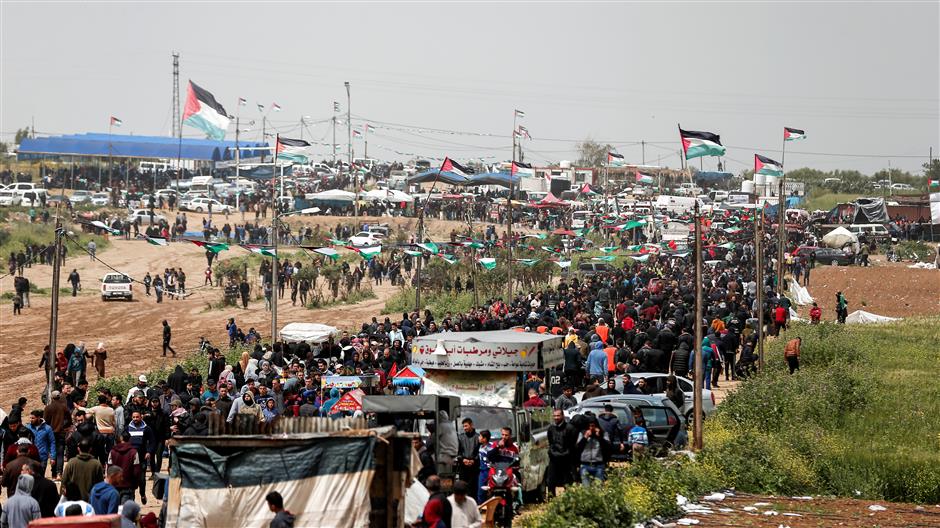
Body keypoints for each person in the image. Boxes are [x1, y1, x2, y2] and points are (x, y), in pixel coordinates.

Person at [546, 409, 577, 496]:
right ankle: (551, 500)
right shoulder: (551, 429)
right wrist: (552, 453)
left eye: (558, 415)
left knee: (567, 482)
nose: (556, 418)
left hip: (566, 459)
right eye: (554, 416)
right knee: (550, 481)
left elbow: (572, 445)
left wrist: (564, 454)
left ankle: (568, 500)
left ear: (562, 416)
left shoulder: (570, 428)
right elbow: (551, 443)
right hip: (554, 459)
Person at [107, 432, 141, 506]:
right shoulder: (134, 452)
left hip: (114, 486)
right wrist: (135, 484)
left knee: (114, 511)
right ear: (129, 439)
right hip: (128, 487)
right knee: (125, 512)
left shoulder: (112, 452)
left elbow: (109, 469)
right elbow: (137, 471)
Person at [576, 419, 610, 487]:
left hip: (599, 465)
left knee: (598, 489)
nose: (591, 428)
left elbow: (608, 447)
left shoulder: (603, 433)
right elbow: (578, 447)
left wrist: (599, 437)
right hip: (585, 465)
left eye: (593, 426)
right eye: (589, 426)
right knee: (586, 489)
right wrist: (585, 437)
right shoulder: (582, 433)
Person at [455, 418, 479, 500]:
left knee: (473, 488)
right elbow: (458, 451)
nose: (465, 428)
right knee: (463, 487)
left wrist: (474, 460)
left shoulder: (478, 437)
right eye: (463, 426)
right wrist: (462, 460)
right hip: (463, 467)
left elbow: (480, 452)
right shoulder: (460, 437)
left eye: (466, 426)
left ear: (471, 425)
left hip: (474, 467)